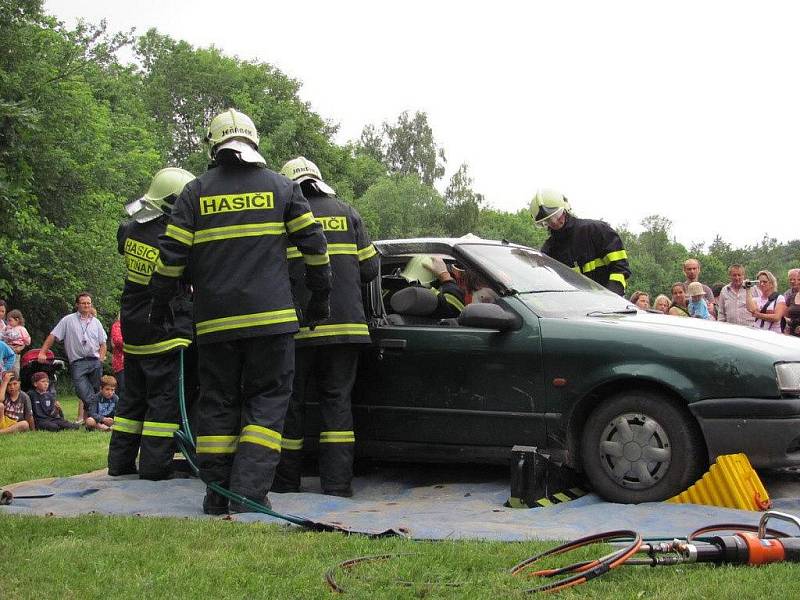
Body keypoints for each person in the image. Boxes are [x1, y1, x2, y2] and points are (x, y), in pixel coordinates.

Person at [150, 109, 331, 514]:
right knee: (267, 402)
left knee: (217, 403)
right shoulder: (282, 189)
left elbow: (170, 261)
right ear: (254, 142)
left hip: (215, 324)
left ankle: (217, 496)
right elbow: (316, 250)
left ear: (214, 145)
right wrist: (319, 301)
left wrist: (159, 307)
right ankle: (249, 494)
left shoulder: (194, 192)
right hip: (273, 323)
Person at [272, 157, 379, 497]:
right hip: (346, 328)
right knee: (337, 404)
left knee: (292, 405)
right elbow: (371, 269)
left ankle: (287, 483)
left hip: (298, 329)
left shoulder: (284, 217)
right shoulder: (348, 212)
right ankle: (336, 486)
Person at [107, 167, 196, 480]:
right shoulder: (172, 238)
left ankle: (119, 464)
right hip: (164, 328)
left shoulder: (130, 228)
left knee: (131, 400)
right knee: (162, 402)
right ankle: (154, 468)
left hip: (133, 328)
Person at [530, 189, 630, 295]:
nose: (554, 222)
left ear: (565, 208)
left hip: (611, 306)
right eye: (547, 221)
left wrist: (610, 298)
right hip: (577, 309)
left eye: (556, 215)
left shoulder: (597, 231)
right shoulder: (549, 251)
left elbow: (620, 269)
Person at [38, 293, 107, 423]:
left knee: (96, 390)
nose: (86, 305)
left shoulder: (96, 322)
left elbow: (103, 343)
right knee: (83, 392)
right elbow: (53, 336)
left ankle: (90, 420)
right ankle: (99, 418)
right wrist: (42, 352)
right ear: (77, 305)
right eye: (83, 303)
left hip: (94, 361)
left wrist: (101, 359)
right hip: (77, 362)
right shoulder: (68, 320)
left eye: (88, 303)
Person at [2, 309, 31, 377]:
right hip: (7, 348)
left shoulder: (22, 329)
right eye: (7, 320)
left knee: (15, 367)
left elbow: (27, 340)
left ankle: (15, 380)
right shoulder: (7, 328)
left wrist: (22, 344)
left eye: (10, 320)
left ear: (17, 320)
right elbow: (2, 335)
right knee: (5, 368)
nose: (8, 322)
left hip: (16, 349)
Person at [109, 314, 124, 405]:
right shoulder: (117, 325)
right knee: (122, 389)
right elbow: (118, 341)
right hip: (121, 364)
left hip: (136, 363)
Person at [782, 269, 800, 334]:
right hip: (792, 330)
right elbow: (784, 313)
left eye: (795, 279)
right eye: (790, 279)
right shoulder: (787, 295)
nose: (792, 281)